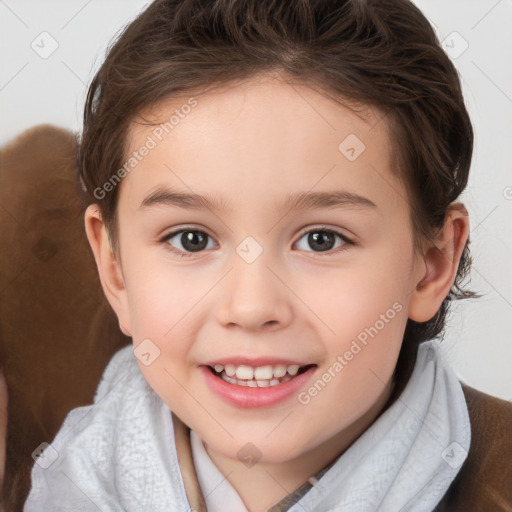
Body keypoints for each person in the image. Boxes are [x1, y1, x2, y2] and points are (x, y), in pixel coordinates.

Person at [23, 0, 512, 511]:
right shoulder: (57, 483)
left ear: (431, 264)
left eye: (322, 239)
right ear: (114, 267)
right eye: (191, 239)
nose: (252, 307)